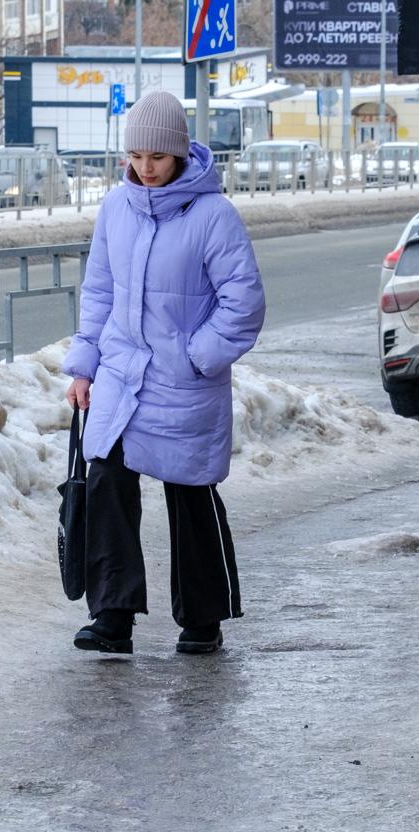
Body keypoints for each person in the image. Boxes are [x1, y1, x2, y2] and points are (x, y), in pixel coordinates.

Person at [62, 90, 265, 657]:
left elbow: (243, 302)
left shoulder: (213, 216)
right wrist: (84, 364)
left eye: (156, 156)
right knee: (105, 481)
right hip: (123, 377)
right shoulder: (115, 209)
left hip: (183, 381)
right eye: (136, 156)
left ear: (178, 152)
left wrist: (197, 357)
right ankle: (112, 615)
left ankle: (202, 619)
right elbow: (99, 292)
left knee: (189, 492)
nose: (145, 168)